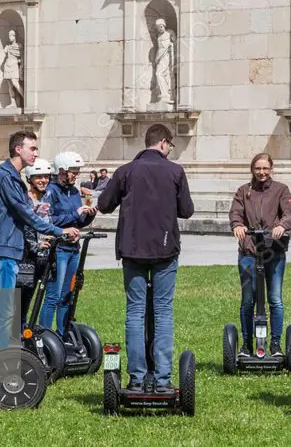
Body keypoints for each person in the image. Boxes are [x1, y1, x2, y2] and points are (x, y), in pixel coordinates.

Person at [98, 124, 194, 393]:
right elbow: (187, 210)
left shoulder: (126, 171)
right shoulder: (175, 171)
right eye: (170, 146)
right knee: (163, 312)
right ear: (163, 143)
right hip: (165, 251)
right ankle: (162, 379)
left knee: (135, 312)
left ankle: (137, 378)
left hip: (132, 250)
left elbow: (104, 204)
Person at [0, 131, 66, 352]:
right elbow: (26, 214)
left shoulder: (12, 177)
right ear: (18, 149)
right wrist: (59, 231)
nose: (36, 153)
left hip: (10, 249)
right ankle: (0, 360)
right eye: (33, 148)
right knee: (5, 309)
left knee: (9, 308)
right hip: (4, 250)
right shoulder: (7, 178)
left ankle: (5, 352)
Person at [228, 153, 291, 357]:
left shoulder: (281, 190)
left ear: (271, 169)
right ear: (252, 169)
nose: (262, 172)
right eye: (258, 168)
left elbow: (289, 214)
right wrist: (238, 225)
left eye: (265, 168)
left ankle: (275, 344)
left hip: (273, 251)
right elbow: (235, 213)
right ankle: (247, 344)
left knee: (275, 299)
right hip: (249, 251)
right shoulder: (243, 191)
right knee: (248, 300)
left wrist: (282, 227)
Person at [40, 151, 97, 337]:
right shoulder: (51, 191)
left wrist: (89, 214)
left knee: (67, 296)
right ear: (62, 171)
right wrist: (75, 214)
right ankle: (44, 337)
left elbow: (77, 223)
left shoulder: (73, 191)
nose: (76, 174)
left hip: (73, 249)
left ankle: (63, 336)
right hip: (59, 250)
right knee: (53, 296)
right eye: (73, 171)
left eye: (77, 171)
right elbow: (49, 220)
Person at [18, 160, 53, 329]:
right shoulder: (25, 200)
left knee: (30, 299)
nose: (43, 180)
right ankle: (15, 337)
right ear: (30, 178)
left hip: (42, 258)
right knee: (20, 301)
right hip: (26, 259)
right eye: (38, 177)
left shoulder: (46, 199)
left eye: (46, 177)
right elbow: (23, 228)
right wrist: (36, 246)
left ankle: (24, 330)